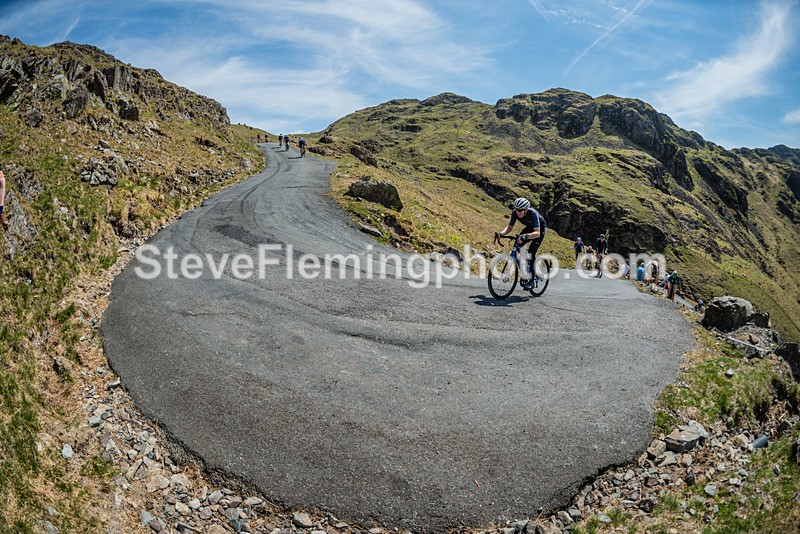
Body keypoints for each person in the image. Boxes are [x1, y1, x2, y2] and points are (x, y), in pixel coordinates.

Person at [495, 197, 546, 288]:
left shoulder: (533, 213)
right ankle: (527, 267)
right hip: (529, 228)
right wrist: (501, 233)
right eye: (516, 209)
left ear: (526, 210)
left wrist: (525, 236)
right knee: (518, 245)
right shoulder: (515, 213)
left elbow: (537, 233)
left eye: (520, 210)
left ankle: (532, 279)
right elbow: (509, 227)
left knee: (531, 252)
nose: (518, 212)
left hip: (539, 230)